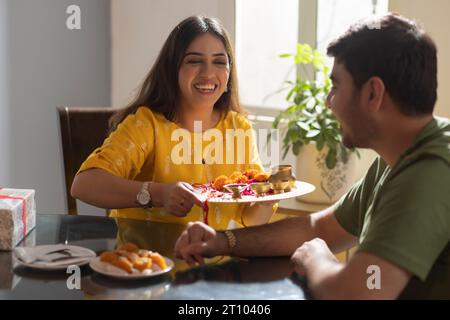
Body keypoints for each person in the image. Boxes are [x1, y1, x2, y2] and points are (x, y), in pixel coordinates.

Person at [174, 14, 450, 299]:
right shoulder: (396, 157)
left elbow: (360, 291)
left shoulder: (430, 172)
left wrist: (316, 256)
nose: (329, 102)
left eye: (336, 86)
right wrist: (223, 241)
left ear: (372, 93)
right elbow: (321, 227)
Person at [71, 16, 275, 230]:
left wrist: (269, 197)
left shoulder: (239, 128)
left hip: (216, 260)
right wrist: (158, 193)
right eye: (194, 61)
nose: (208, 73)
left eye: (219, 62)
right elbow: (84, 185)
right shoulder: (147, 125)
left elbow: (251, 218)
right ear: (172, 68)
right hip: (148, 261)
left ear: (229, 72)